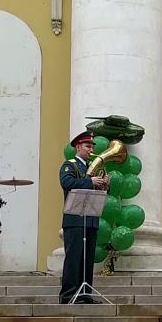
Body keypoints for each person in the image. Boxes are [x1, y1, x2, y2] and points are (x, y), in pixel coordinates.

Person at [59, 130, 110, 304]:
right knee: (74, 258)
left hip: (90, 218)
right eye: (88, 146)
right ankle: (68, 295)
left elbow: (95, 191)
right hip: (74, 219)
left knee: (87, 259)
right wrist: (90, 181)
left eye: (92, 147)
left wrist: (103, 186)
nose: (91, 150)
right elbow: (66, 183)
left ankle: (85, 294)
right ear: (78, 146)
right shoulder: (70, 165)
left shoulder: (92, 168)